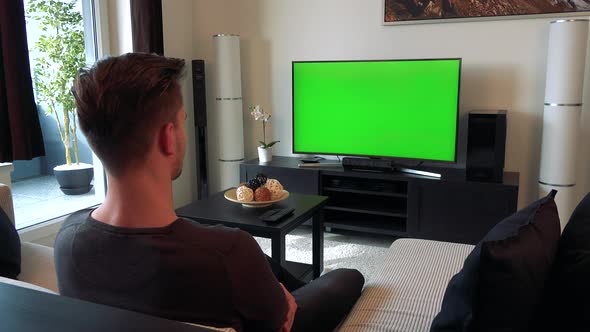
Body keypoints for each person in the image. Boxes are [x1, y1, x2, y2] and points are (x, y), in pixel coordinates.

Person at [54, 53, 364, 332]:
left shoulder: (68, 239)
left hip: (240, 272)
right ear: (169, 138)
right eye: (183, 122)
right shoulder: (228, 251)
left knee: (266, 265)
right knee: (349, 276)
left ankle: (279, 286)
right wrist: (284, 304)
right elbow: (286, 323)